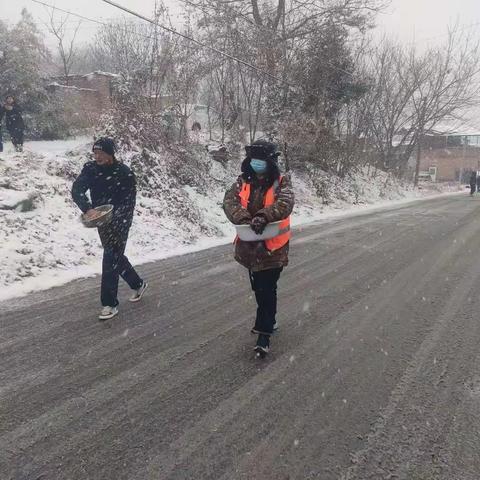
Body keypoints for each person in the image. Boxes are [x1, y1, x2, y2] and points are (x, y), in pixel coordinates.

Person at [223, 140, 294, 358]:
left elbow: (284, 203)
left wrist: (264, 216)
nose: (256, 164)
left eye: (261, 160)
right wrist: (244, 219)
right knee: (257, 287)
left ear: (270, 161)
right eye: (254, 159)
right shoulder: (243, 180)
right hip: (249, 247)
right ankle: (268, 319)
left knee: (267, 288)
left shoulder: (282, 182)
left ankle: (264, 334)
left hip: (273, 247)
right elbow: (230, 202)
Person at [71, 137, 148, 320]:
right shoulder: (91, 169)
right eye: (95, 153)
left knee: (110, 257)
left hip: (121, 221)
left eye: (101, 153)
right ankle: (137, 284)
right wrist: (88, 209)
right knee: (115, 256)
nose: (97, 157)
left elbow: (129, 204)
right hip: (101, 219)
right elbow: (77, 190)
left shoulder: (125, 173)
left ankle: (109, 303)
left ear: (110, 154)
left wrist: (117, 219)